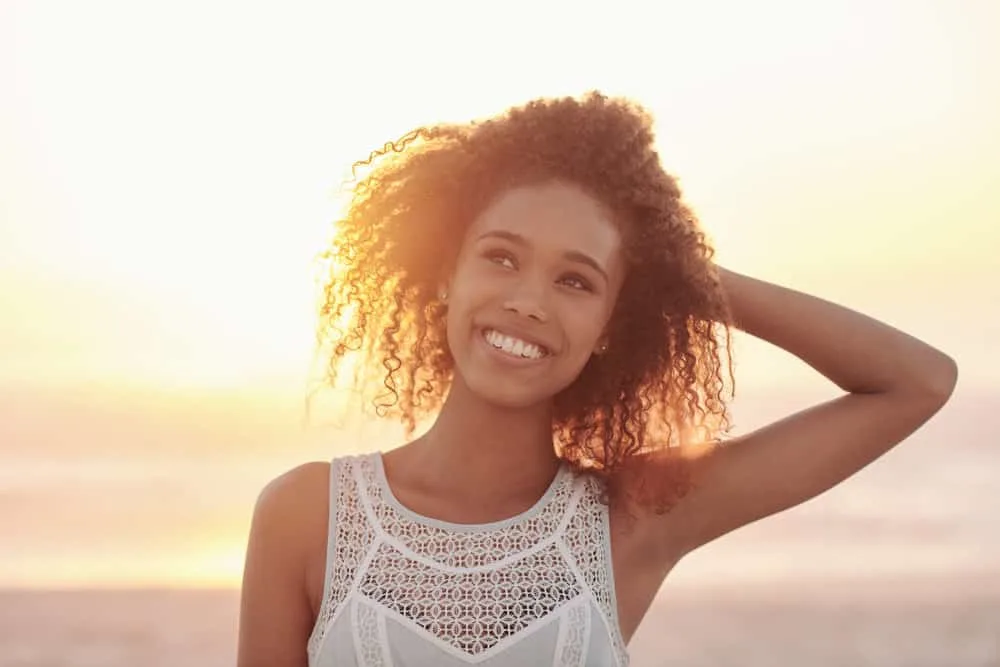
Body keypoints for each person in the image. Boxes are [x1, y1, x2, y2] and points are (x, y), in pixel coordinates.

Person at [236, 93, 957, 667]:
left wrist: (686, 278)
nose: (528, 301)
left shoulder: (633, 520)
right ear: (444, 277)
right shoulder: (309, 513)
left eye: (576, 280)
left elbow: (915, 381)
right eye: (501, 257)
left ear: (615, 321)